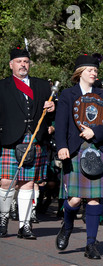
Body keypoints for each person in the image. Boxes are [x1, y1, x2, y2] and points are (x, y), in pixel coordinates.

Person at [54, 54, 103, 259]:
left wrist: (95, 132)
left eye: (96, 71)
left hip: (98, 150)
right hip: (74, 150)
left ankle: (91, 244)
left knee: (94, 199)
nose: (94, 73)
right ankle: (68, 225)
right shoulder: (68, 94)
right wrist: (61, 146)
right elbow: (61, 123)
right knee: (73, 199)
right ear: (80, 73)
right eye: (90, 70)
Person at [0, 48, 56, 238]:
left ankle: (25, 226)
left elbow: (51, 113)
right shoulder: (2, 86)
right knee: (6, 182)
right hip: (9, 138)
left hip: (34, 138)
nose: (23, 64)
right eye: (19, 61)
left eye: (26, 61)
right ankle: (3, 218)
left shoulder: (42, 86)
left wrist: (52, 108)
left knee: (27, 183)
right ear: (11, 65)